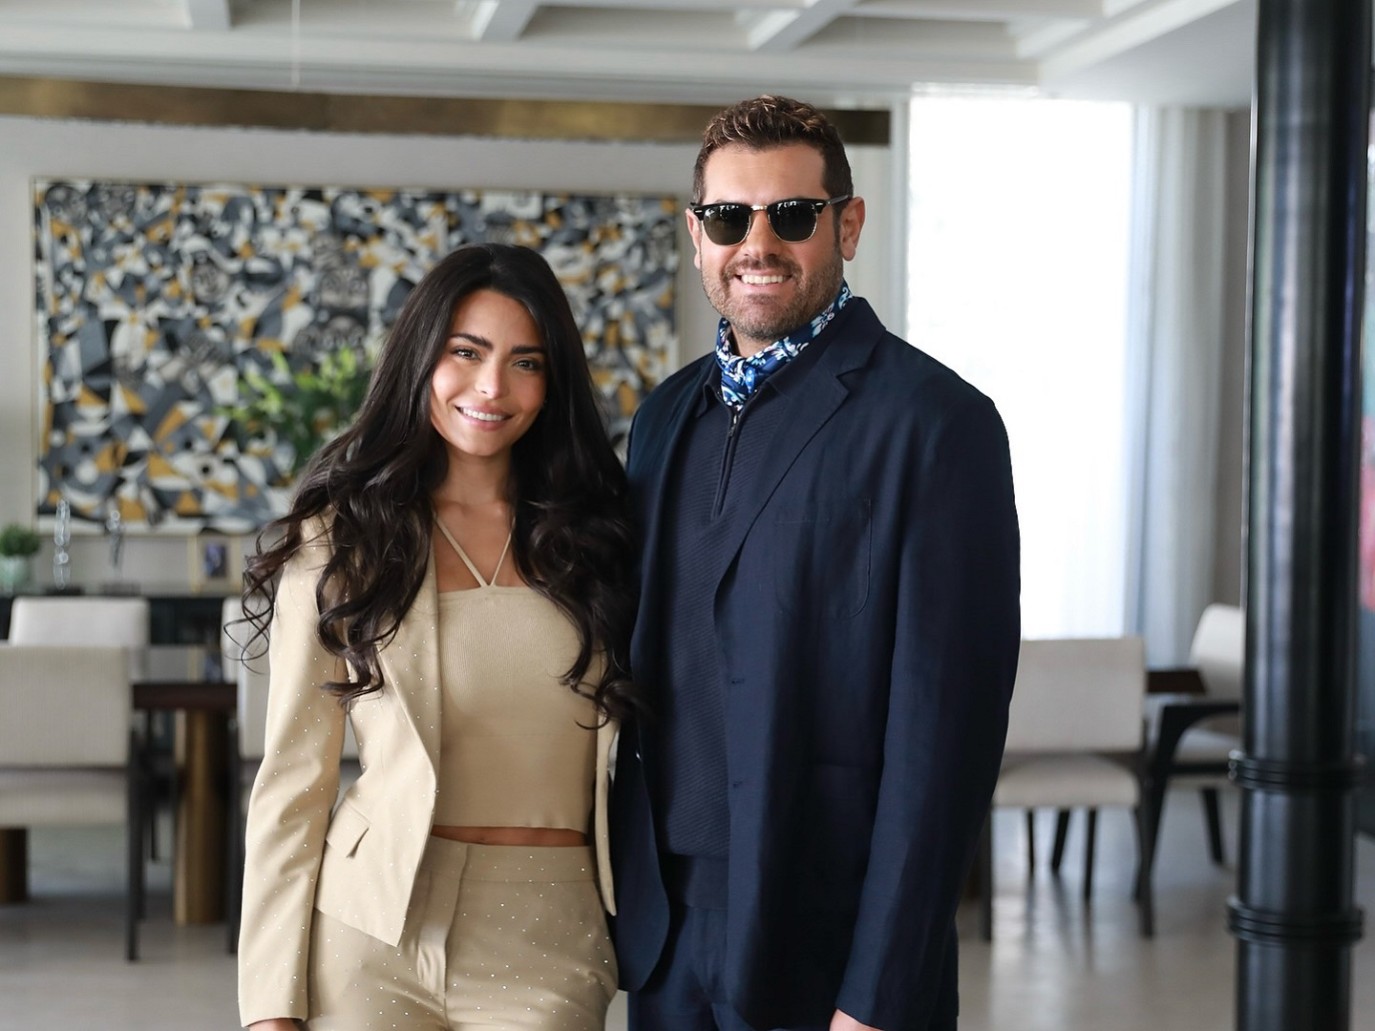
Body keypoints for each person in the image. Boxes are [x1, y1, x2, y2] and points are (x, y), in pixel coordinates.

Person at [609, 95, 1021, 1031]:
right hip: (665, 937)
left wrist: (878, 992)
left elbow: (945, 740)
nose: (757, 243)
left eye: (790, 214)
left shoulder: (935, 424)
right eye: (728, 218)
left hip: (829, 944)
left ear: (848, 223)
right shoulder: (662, 418)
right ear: (696, 235)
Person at [235, 242, 636, 1031]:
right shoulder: (343, 538)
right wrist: (270, 1008)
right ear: (421, 357)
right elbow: (293, 781)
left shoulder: (603, 538)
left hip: (548, 932)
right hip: (368, 928)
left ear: (553, 381)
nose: (491, 386)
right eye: (466, 352)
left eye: (525, 361)